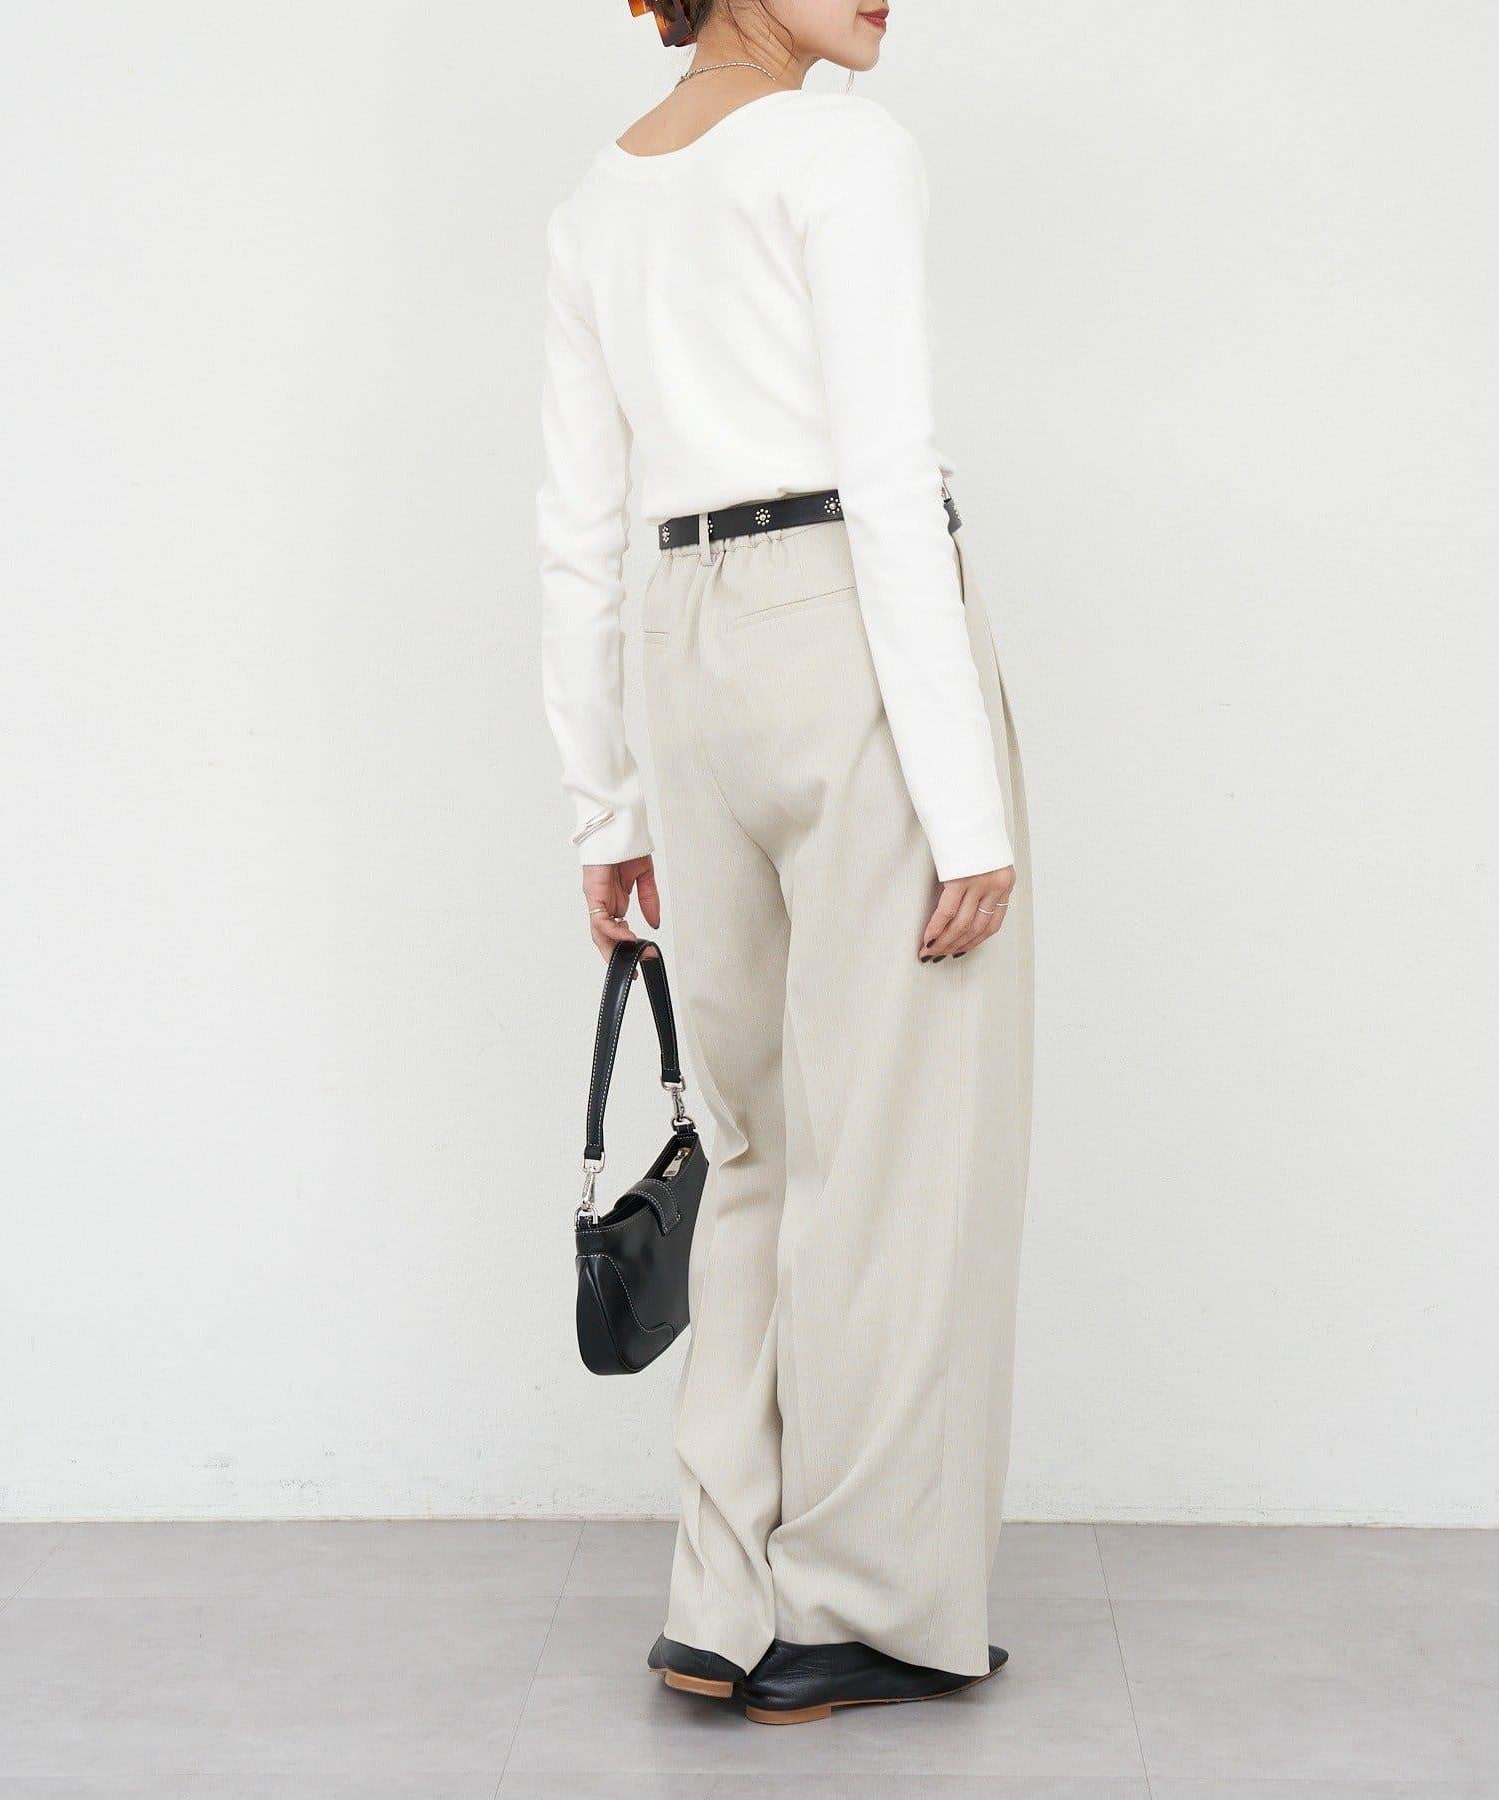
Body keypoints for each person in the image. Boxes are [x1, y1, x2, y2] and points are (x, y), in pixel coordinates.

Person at [537, 0, 1033, 1725]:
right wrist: (966, 806)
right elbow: (885, 471)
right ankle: (854, 1605)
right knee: (893, 1154)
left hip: (684, 651)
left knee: (751, 1145)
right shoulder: (840, 149)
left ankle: (719, 1595)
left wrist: (605, 804)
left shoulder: (599, 198)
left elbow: (575, 532)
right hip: (845, 627)